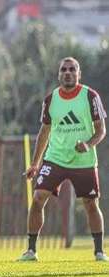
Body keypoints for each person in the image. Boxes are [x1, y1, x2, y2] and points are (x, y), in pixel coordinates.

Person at [17, 57, 107, 262]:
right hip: (55, 158)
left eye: (72, 69)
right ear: (59, 74)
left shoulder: (90, 96)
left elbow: (101, 130)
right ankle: (31, 250)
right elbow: (44, 132)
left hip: (83, 160)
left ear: (78, 73)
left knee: (91, 204)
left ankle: (99, 252)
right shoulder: (51, 100)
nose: (68, 73)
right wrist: (35, 164)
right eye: (64, 70)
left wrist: (88, 144)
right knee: (38, 198)